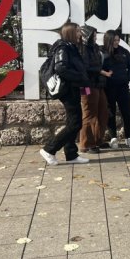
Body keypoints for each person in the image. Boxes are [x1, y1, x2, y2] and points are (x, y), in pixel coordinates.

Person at [40, 22, 91, 165]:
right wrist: (79, 77)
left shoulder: (71, 47)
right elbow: (61, 68)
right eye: (78, 32)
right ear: (70, 33)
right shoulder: (63, 47)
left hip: (72, 88)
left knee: (73, 122)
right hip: (67, 89)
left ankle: (71, 154)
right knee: (75, 124)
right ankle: (49, 149)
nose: (80, 34)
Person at [79, 25, 111, 153]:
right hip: (86, 85)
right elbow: (85, 67)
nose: (96, 36)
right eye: (93, 34)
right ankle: (86, 144)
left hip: (98, 84)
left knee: (103, 112)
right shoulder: (82, 49)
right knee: (89, 114)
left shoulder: (95, 48)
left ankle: (98, 140)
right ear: (87, 35)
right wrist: (101, 72)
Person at [102, 30, 130, 148]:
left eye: (118, 40)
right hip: (108, 88)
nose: (116, 43)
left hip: (122, 87)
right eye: (114, 40)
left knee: (127, 113)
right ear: (108, 40)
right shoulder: (102, 52)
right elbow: (96, 68)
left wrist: (128, 77)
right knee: (110, 113)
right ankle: (113, 138)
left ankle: (129, 137)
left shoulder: (124, 51)